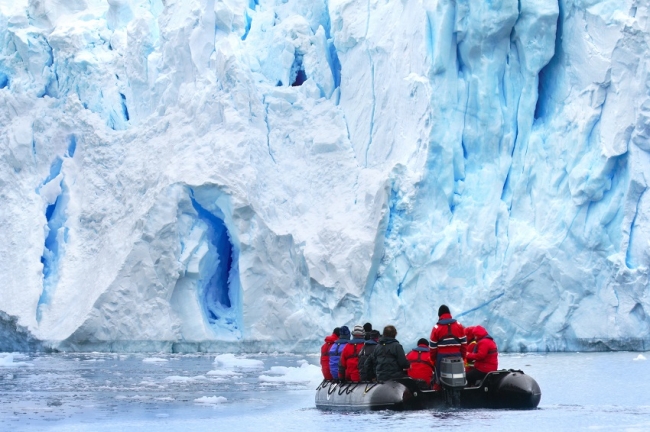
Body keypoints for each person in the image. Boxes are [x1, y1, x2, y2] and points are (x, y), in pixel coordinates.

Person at [430, 305, 467, 389]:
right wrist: (463, 357)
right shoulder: (459, 325)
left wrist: (433, 359)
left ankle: (440, 393)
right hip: (457, 355)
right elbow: (464, 343)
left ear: (439, 315)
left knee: (439, 379)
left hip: (441, 356)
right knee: (458, 377)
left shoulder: (437, 327)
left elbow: (433, 347)